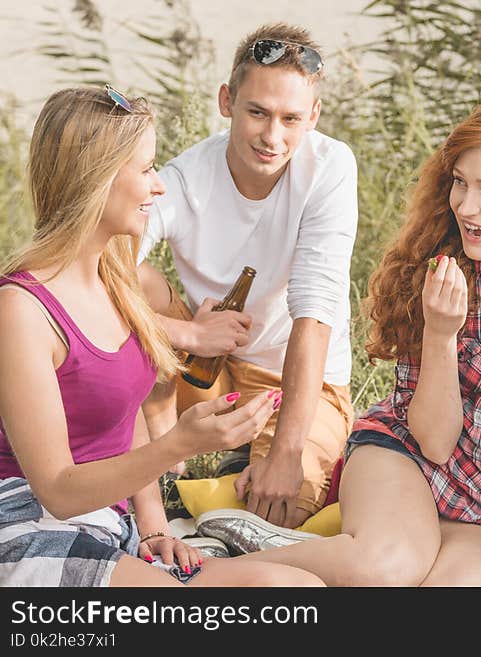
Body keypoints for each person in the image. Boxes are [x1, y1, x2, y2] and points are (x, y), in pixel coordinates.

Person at [219, 101, 481, 586]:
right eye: (461, 182)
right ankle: (204, 570)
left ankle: (307, 550)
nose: (467, 207)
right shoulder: (438, 261)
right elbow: (434, 440)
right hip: (408, 460)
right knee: (384, 570)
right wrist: (441, 333)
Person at [0, 86, 324, 587]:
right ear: (97, 179)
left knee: (292, 589)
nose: (159, 186)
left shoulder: (114, 282)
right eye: (147, 169)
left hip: (108, 527)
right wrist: (177, 445)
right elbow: (58, 491)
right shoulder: (21, 310)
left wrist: (152, 525)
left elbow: (124, 416)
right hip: (28, 523)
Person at [136, 23, 358, 529]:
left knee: (284, 505)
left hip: (298, 380)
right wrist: (188, 332)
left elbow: (315, 314)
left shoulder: (330, 169)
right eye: (257, 112)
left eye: (290, 118)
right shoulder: (185, 177)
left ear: (314, 116)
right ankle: (163, 433)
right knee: (137, 281)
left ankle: (230, 463)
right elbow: (95, 268)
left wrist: (285, 452)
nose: (272, 136)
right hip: (204, 366)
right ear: (226, 101)